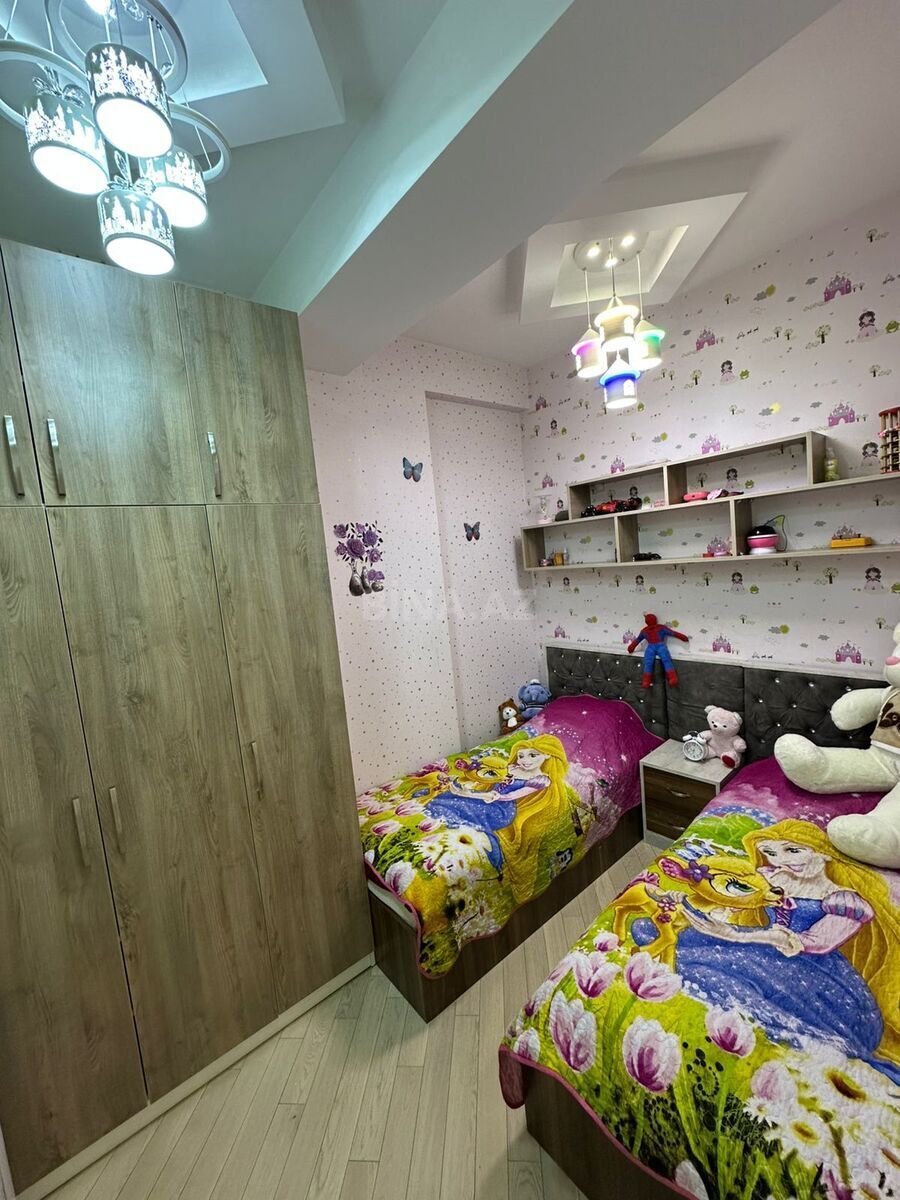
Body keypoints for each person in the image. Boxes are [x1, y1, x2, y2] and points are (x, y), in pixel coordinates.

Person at [673, 819, 900, 1083]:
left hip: (817, 975)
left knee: (713, 962)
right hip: (764, 948)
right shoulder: (771, 877)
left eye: (793, 850)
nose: (781, 861)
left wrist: (735, 935)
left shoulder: (845, 900)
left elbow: (815, 942)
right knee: (681, 940)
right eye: (770, 852)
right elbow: (730, 895)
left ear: (824, 852)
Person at [494, 736, 581, 902]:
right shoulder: (513, 768)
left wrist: (496, 797)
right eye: (521, 756)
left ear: (547, 755)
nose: (525, 761)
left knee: (522, 831)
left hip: (504, 803)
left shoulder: (542, 780)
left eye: (533, 755)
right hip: (499, 800)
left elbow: (512, 795)